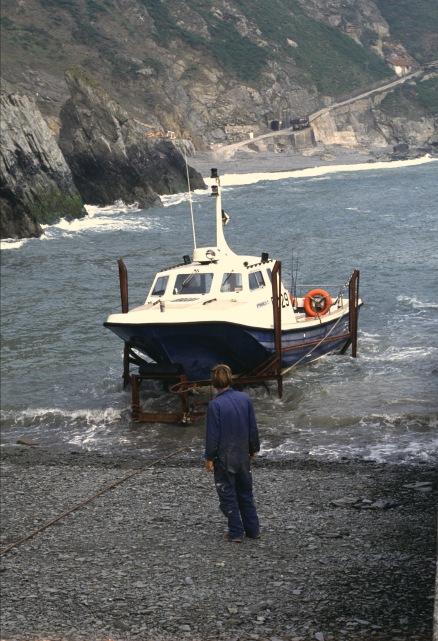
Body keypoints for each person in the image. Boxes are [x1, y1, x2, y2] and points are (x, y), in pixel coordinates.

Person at [204, 364, 261, 542]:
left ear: (213, 383)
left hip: (224, 456)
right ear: (230, 379)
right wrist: (254, 448)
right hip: (243, 454)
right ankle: (253, 529)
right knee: (245, 492)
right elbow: (253, 427)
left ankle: (235, 531)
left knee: (227, 493)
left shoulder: (215, 404)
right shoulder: (245, 398)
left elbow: (212, 435)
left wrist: (209, 457)